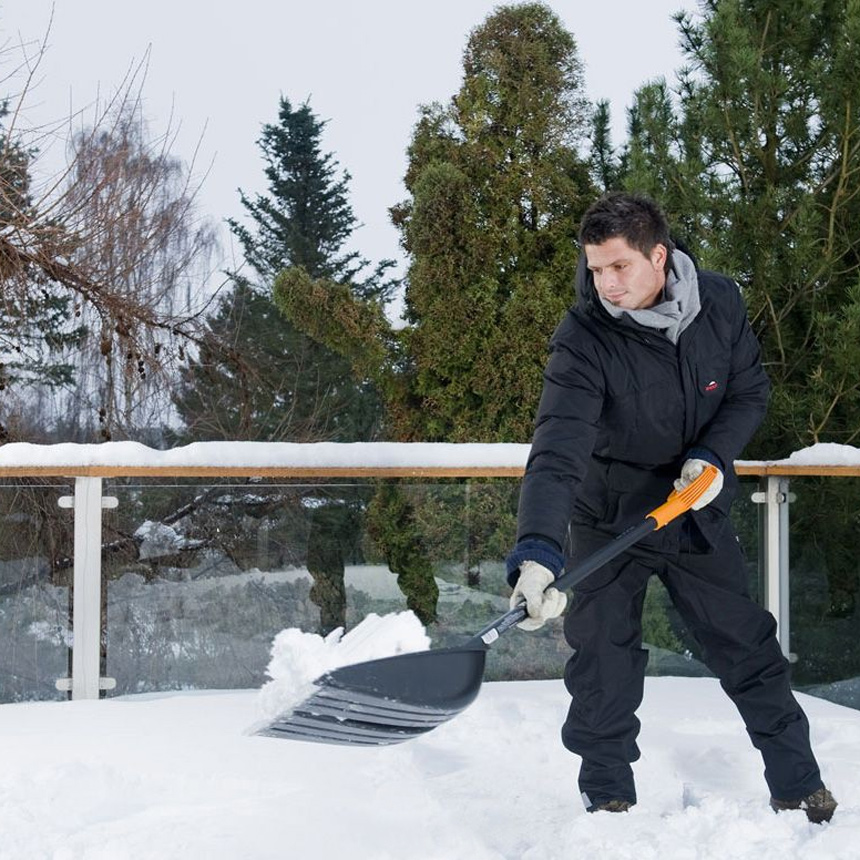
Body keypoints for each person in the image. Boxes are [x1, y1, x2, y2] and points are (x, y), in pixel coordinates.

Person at [505, 192, 836, 823]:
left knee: (747, 645)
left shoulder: (719, 303)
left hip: (693, 508)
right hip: (609, 516)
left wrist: (713, 455)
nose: (606, 283)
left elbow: (748, 390)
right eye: (596, 268)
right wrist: (539, 552)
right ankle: (607, 799)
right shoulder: (583, 337)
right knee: (604, 657)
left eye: (619, 266)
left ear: (660, 255)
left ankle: (799, 784)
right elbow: (556, 449)